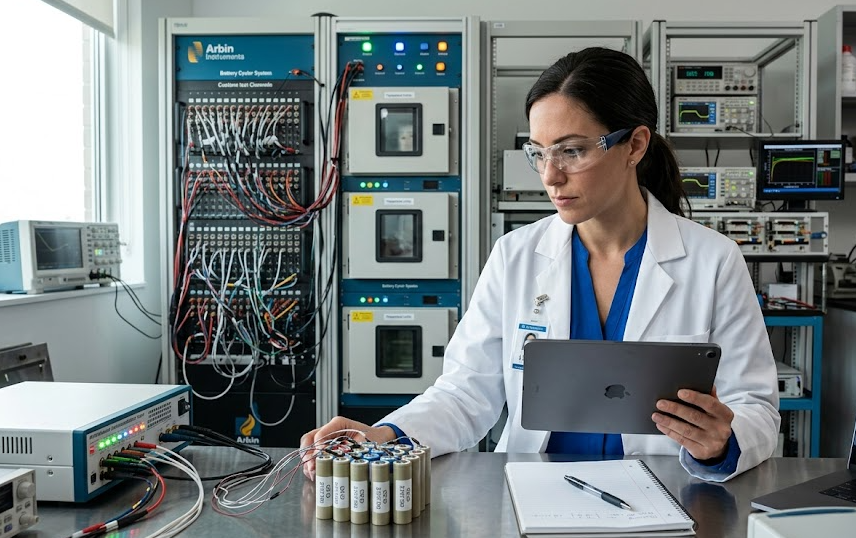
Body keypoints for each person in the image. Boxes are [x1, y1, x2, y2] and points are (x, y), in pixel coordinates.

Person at [302, 47, 779, 482]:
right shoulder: (516, 255)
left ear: (635, 145)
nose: (550, 176)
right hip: (535, 493)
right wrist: (385, 437)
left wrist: (720, 443)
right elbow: (466, 393)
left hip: (667, 493)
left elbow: (755, 405)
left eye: (572, 150)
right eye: (538, 152)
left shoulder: (712, 260)